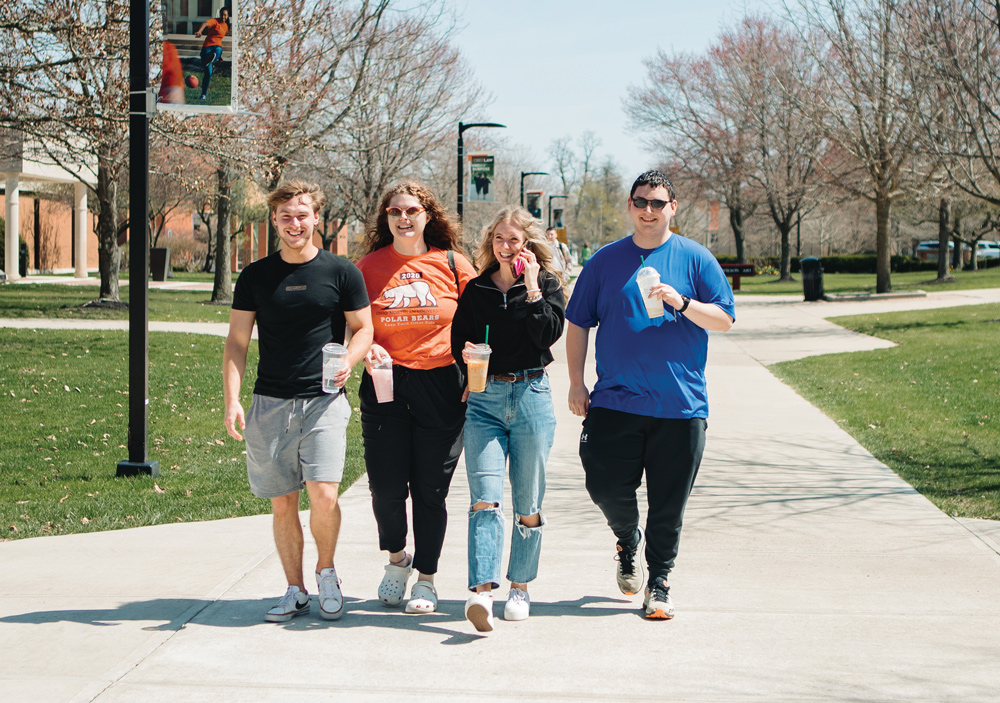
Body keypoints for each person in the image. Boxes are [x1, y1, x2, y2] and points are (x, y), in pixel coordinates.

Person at [565, 170, 734, 620]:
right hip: (615, 401)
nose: (649, 210)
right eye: (641, 201)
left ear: (672, 208)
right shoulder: (604, 262)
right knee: (602, 484)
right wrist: (576, 382)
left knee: (668, 502)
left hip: (680, 406)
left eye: (658, 202)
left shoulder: (696, 259)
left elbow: (724, 320)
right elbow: (579, 322)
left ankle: (658, 581)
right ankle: (626, 537)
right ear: (630, 205)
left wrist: (682, 302)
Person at [223, 179, 373, 623]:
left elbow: (364, 328)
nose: (294, 223)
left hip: (324, 401)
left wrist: (350, 358)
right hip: (270, 403)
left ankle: (326, 572)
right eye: (286, 216)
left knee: (324, 493)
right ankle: (295, 589)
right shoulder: (255, 276)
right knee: (283, 501)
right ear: (274, 220)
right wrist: (232, 400)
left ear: (316, 218)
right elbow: (236, 342)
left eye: (302, 215)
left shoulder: (342, 272)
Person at [356, 182, 476, 614]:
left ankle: (426, 578)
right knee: (386, 488)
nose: (403, 218)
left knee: (430, 490)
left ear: (429, 215)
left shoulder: (453, 263)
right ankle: (396, 561)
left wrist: (475, 368)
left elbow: (481, 322)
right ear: (385, 218)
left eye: (412, 210)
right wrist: (362, 346)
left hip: (442, 386)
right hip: (385, 384)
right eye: (394, 211)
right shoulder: (367, 267)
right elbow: (351, 323)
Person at [451, 206, 565, 632]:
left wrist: (533, 286)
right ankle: (481, 592)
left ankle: (520, 585)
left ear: (528, 244)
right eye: (499, 238)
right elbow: (457, 340)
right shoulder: (477, 288)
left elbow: (548, 334)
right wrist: (466, 368)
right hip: (485, 398)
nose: (505, 246)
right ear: (490, 243)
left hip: (533, 395)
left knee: (528, 501)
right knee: (484, 497)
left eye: (514, 239)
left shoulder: (548, 286)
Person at [193, 7, 229, 101]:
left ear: (228, 16)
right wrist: (200, 31)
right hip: (207, 49)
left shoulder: (226, 27)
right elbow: (205, 23)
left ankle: (212, 58)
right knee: (208, 73)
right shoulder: (214, 21)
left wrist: (219, 56)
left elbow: (220, 40)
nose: (223, 16)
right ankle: (203, 94)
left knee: (219, 49)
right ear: (220, 14)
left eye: (225, 15)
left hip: (216, 49)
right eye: (222, 14)